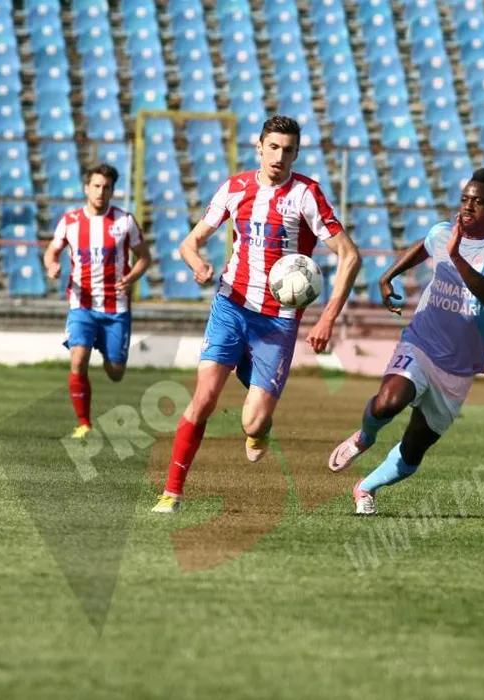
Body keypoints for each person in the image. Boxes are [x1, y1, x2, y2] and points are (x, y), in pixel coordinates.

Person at [152, 115, 361, 514]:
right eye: (273, 147)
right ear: (259, 147)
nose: (279, 157)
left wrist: (327, 317)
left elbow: (349, 256)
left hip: (278, 320)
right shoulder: (235, 188)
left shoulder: (306, 195)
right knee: (203, 398)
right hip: (231, 304)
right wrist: (197, 264)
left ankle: (259, 424)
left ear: (296, 154)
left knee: (252, 423)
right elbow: (190, 242)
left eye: (288, 150)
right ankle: (171, 493)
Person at [328, 168, 484, 515]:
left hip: (459, 367)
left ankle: (365, 487)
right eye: (465, 199)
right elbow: (426, 245)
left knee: (414, 450)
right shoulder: (444, 232)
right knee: (388, 403)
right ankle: (365, 436)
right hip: (421, 342)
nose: (468, 206)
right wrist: (388, 276)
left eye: (478, 202)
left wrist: (456, 255)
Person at [43, 163, 152, 438]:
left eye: (106, 187)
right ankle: (84, 423)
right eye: (96, 186)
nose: (101, 192)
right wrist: (52, 265)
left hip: (116, 308)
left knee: (116, 372)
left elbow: (144, 257)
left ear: (112, 191)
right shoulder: (70, 221)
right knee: (78, 359)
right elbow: (51, 251)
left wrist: (131, 277)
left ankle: (105, 346)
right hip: (82, 305)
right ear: (86, 188)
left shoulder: (124, 221)